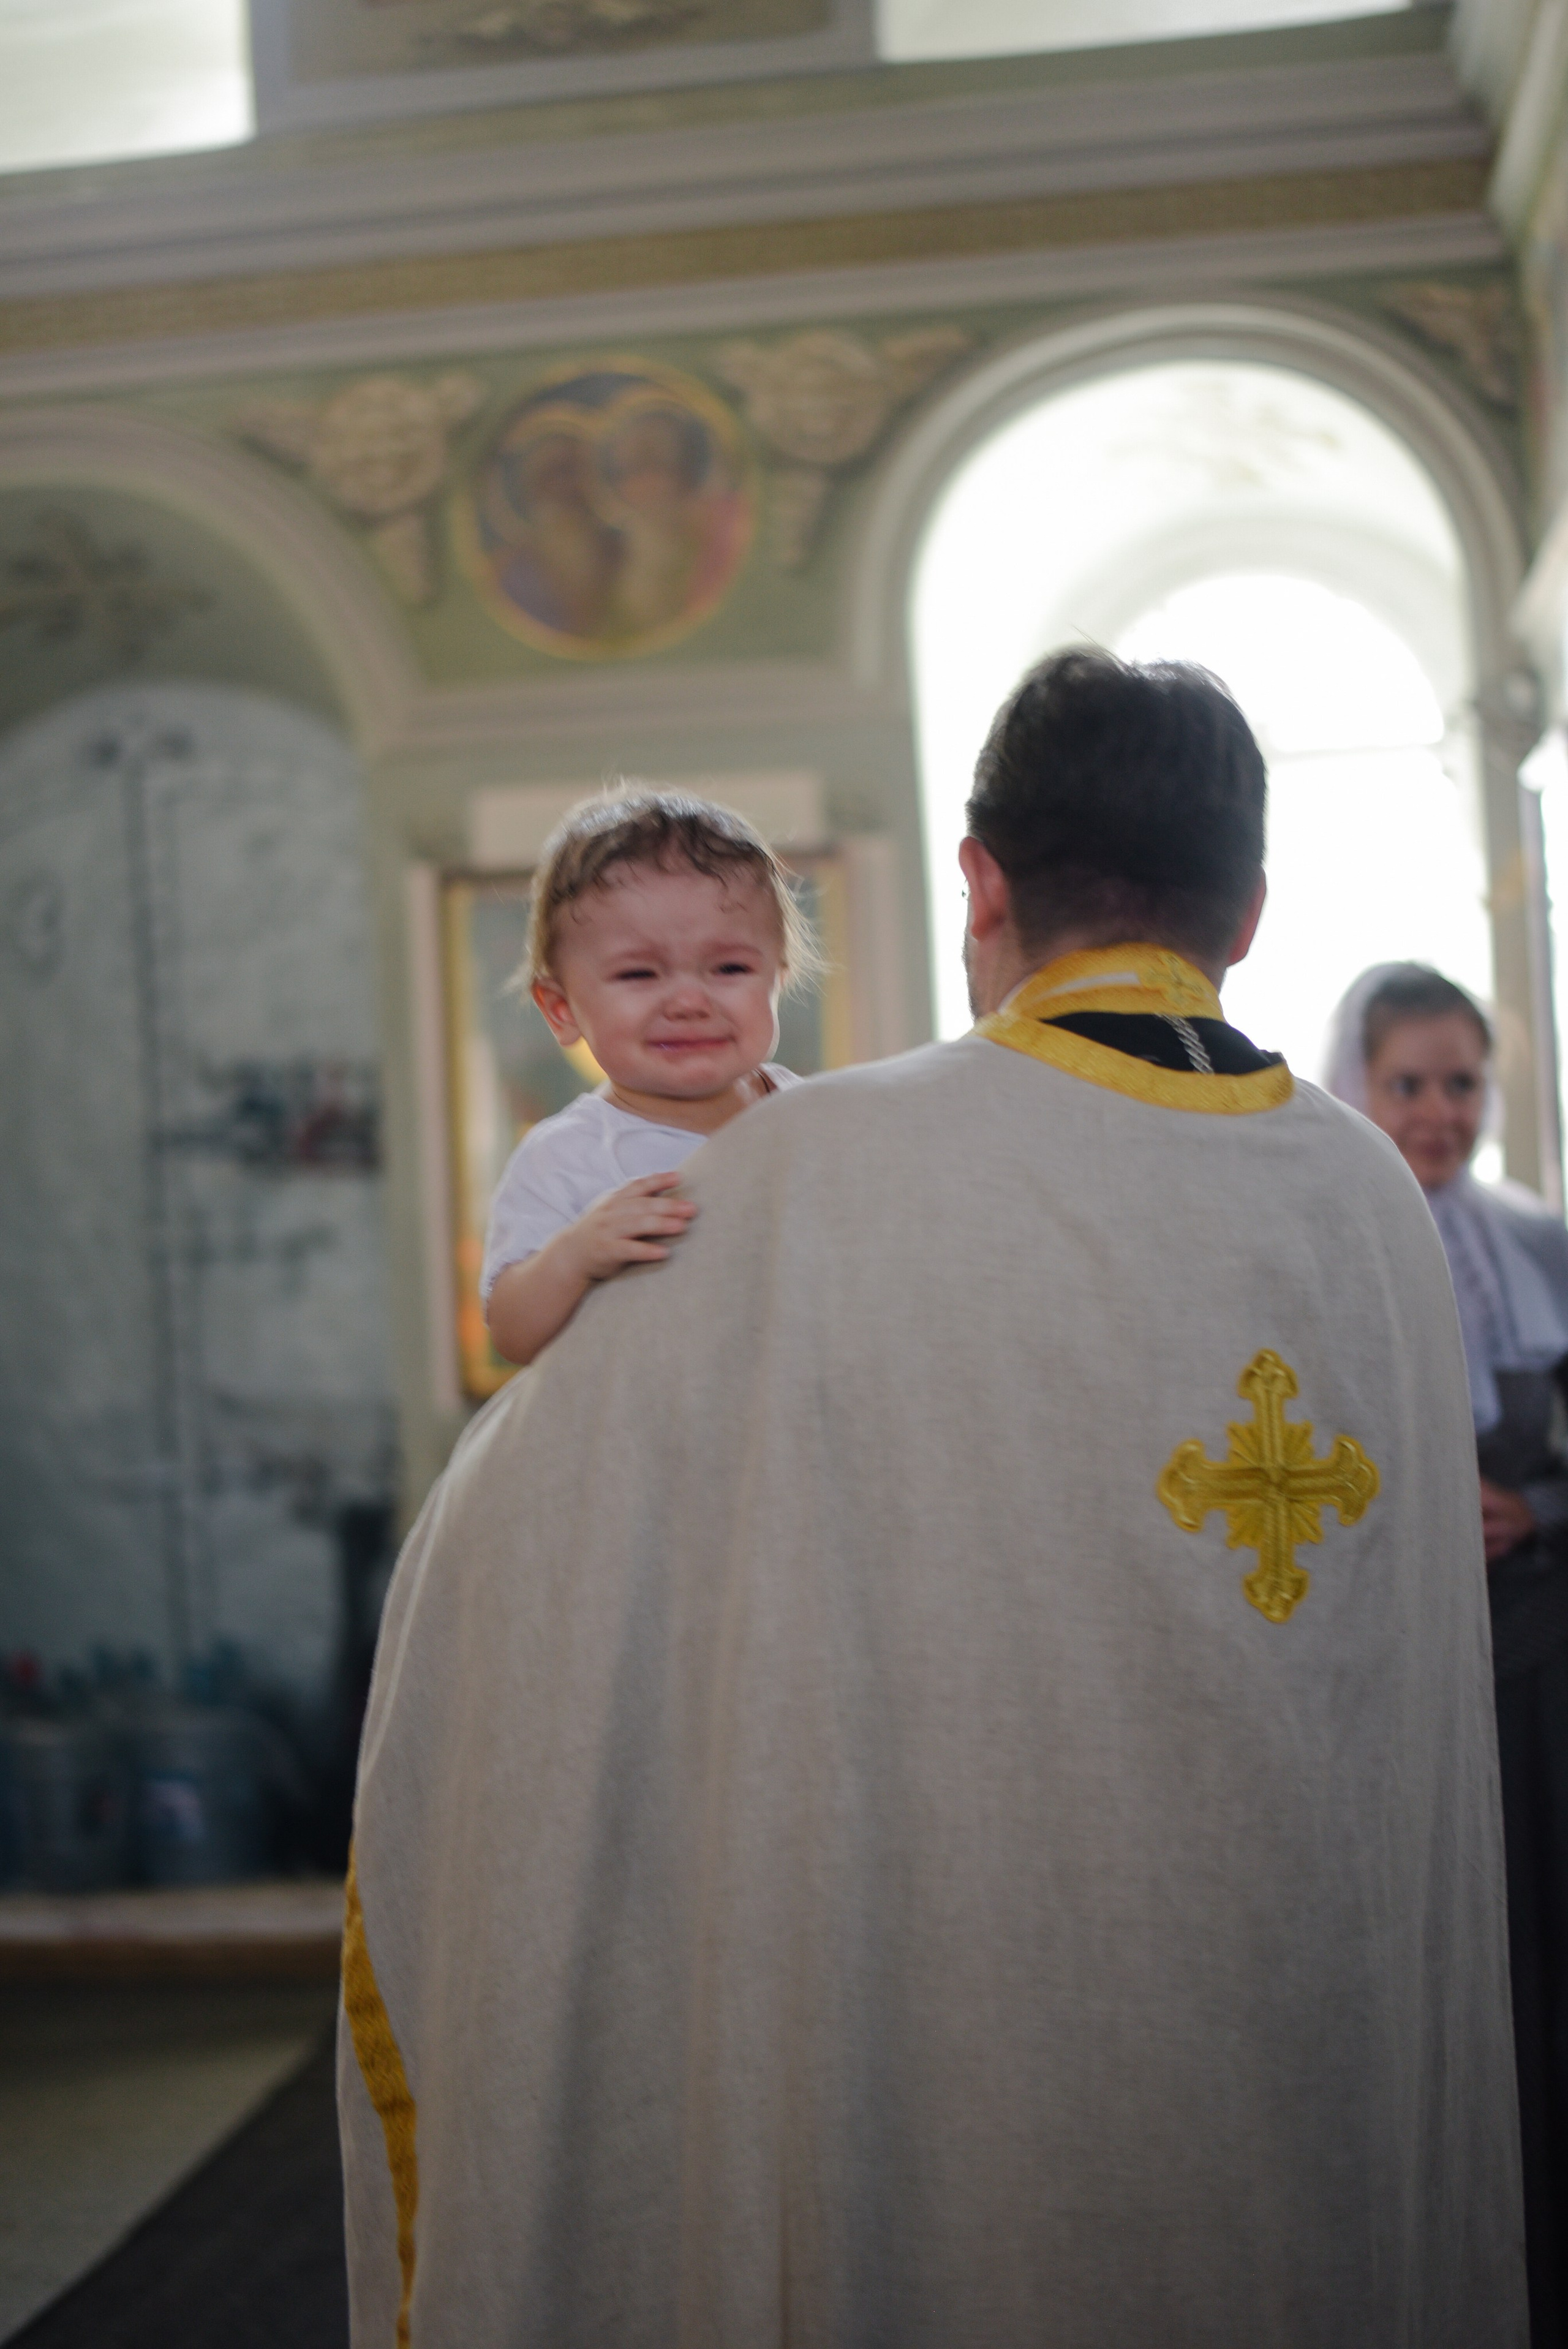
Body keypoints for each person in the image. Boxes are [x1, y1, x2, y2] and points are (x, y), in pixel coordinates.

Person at [341, 652, 1525, 2347]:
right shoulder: (1367, 1198)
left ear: (977, 877)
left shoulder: (816, 1171)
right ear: (1249, 910)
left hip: (973, 1995)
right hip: (1315, 1990)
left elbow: (514, 1562)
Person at [1329, 960, 1568, 2349]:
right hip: (1398, 1657)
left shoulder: (1536, 1244)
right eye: (1405, 1083)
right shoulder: (1327, 1241)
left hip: (1540, 1642)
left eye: (1458, 1082)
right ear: (1357, 1086)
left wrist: (1534, 1504)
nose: (1434, 1111)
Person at [482, 790, 810, 1366]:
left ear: (777, 978)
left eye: (730, 967)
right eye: (639, 973)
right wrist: (574, 1255)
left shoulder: (814, 1116)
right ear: (561, 1009)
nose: (688, 1001)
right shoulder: (567, 1158)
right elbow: (511, 1334)